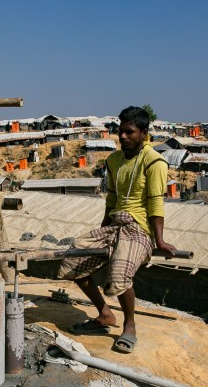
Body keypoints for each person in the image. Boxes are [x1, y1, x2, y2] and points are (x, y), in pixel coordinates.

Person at [58, 106, 178, 353]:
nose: (122, 137)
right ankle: (105, 314)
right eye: (120, 131)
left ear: (143, 133)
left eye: (129, 132)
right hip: (114, 226)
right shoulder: (113, 160)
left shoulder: (155, 161)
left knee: (119, 277)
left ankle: (130, 326)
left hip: (139, 230)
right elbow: (111, 199)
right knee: (73, 262)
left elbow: (156, 202)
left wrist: (160, 240)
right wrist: (103, 231)